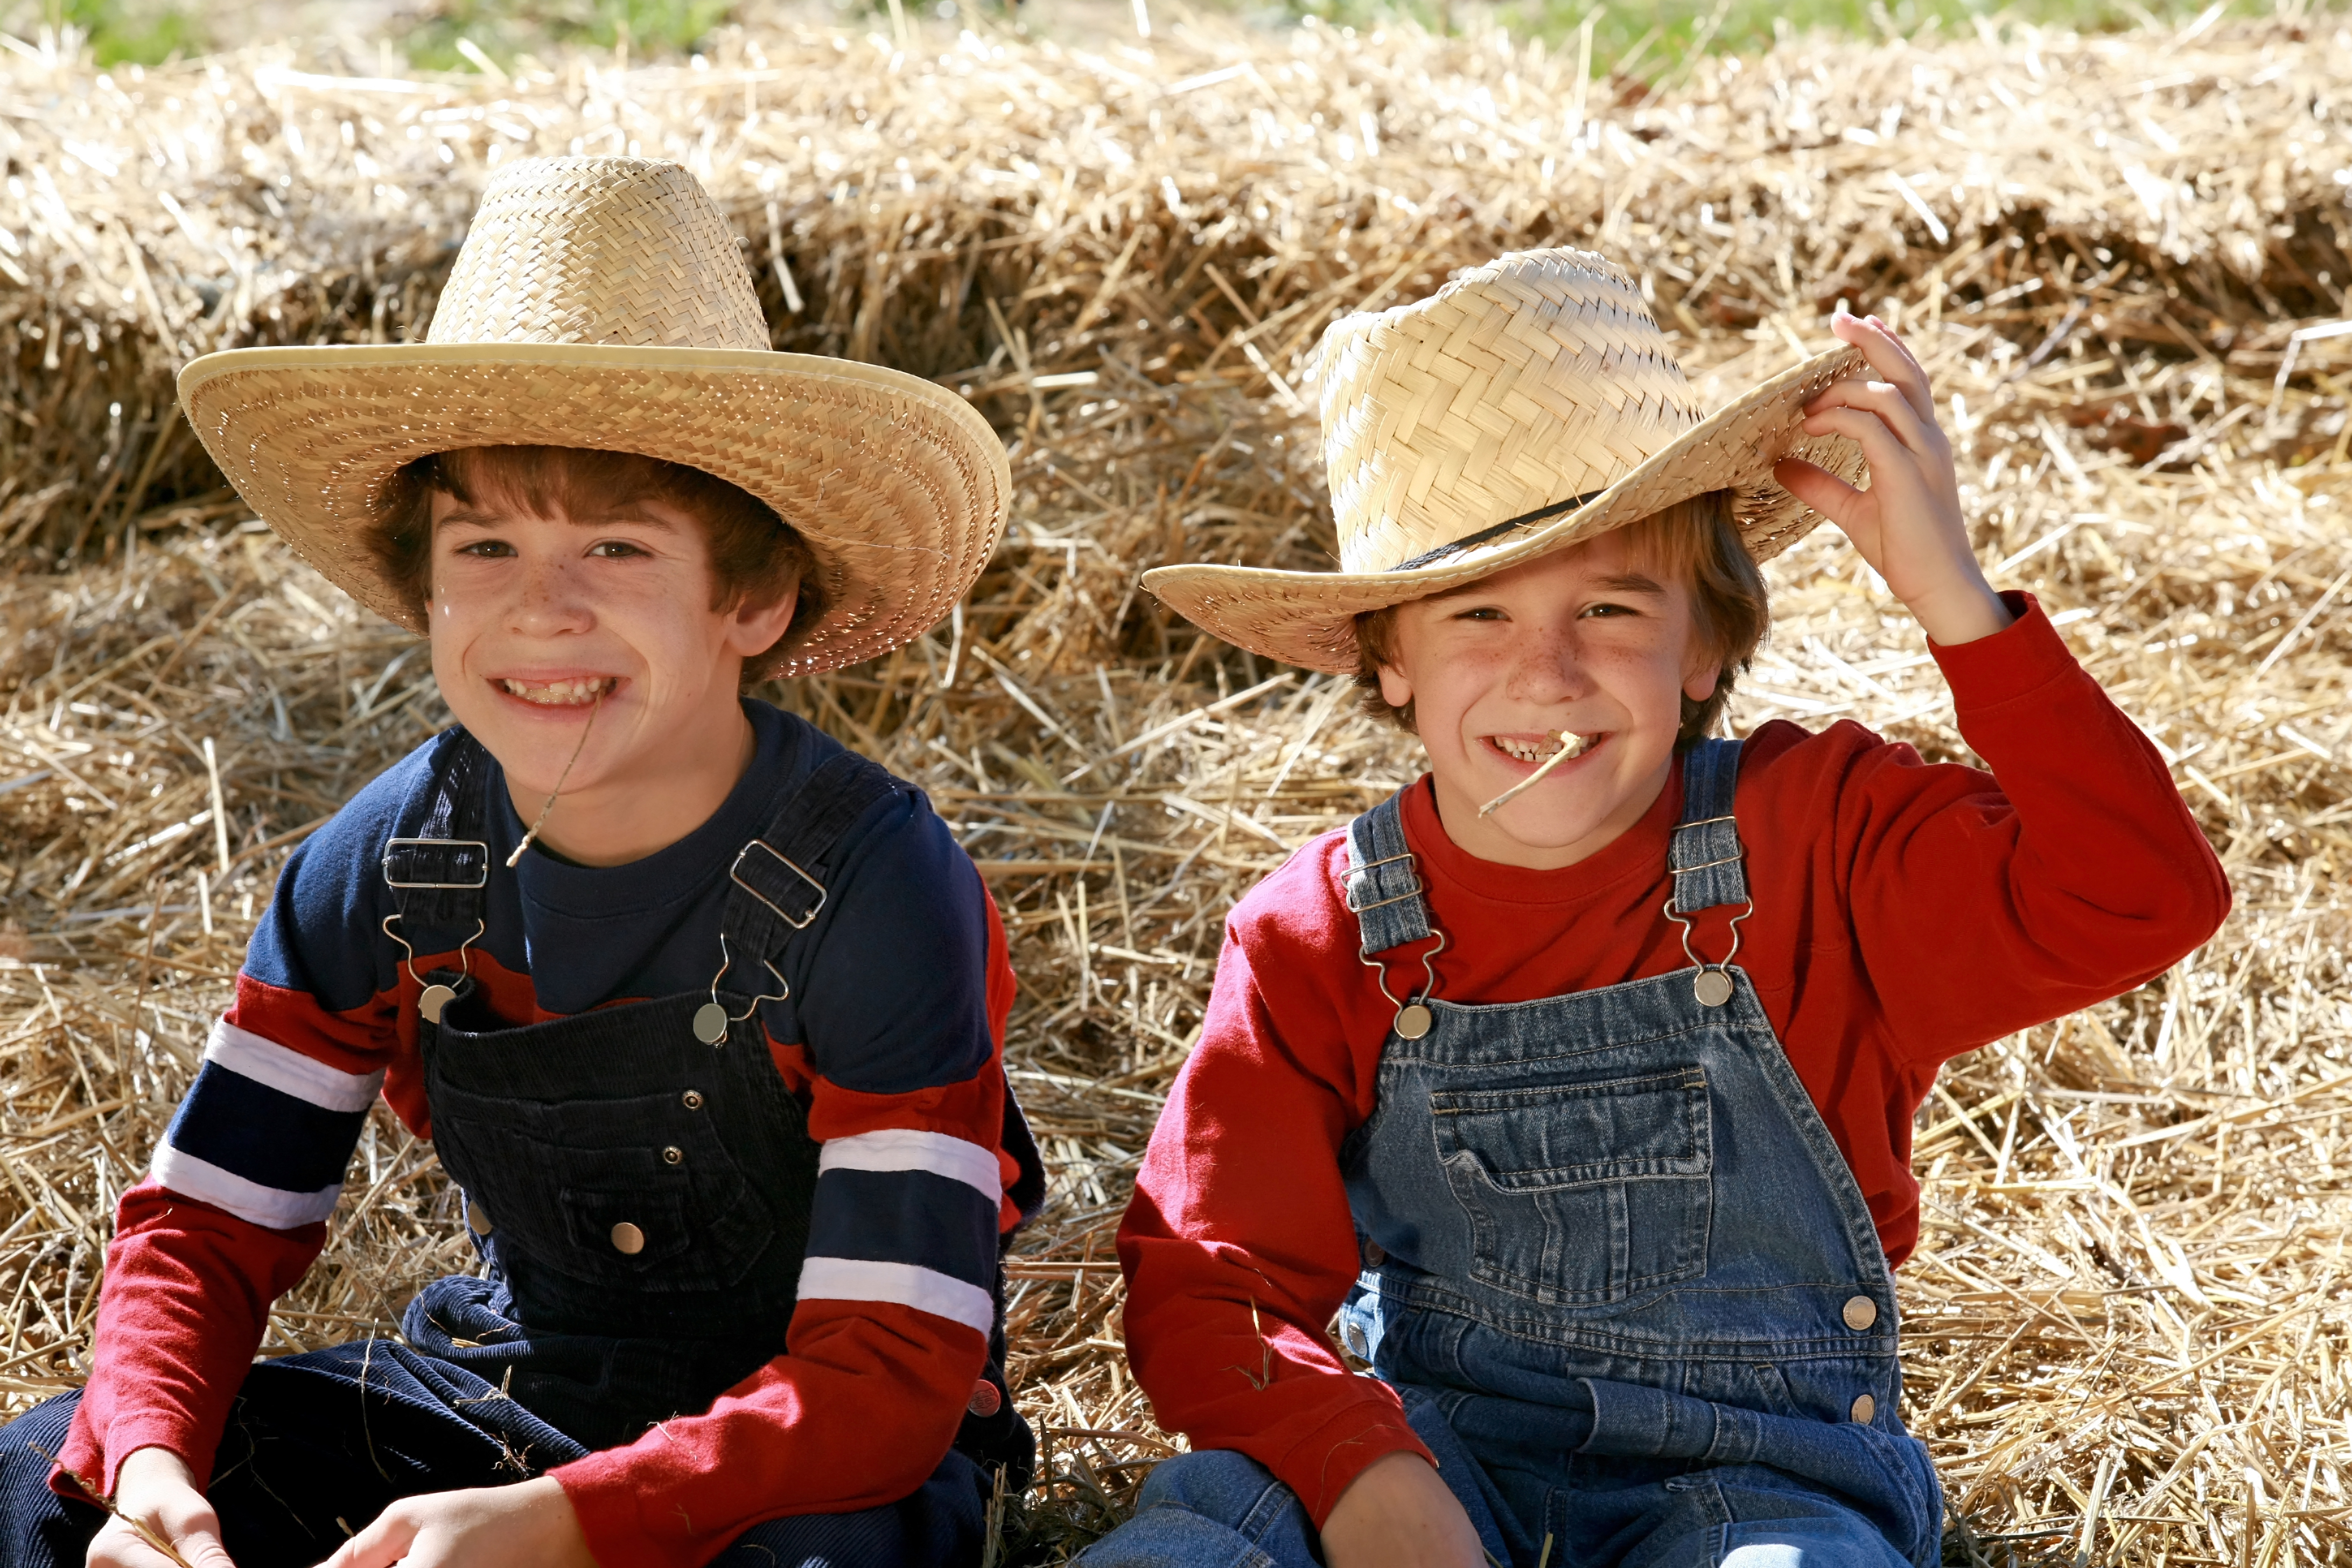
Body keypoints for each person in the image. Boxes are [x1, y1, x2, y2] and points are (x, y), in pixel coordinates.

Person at [1081, 248, 2229, 1568]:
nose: (1548, 672)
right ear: (1388, 660)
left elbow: (2140, 895)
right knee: (1204, 1544)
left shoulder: (1818, 837)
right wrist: (1363, 1478)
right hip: (1427, 1452)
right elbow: (1213, 1275)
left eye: (1611, 606)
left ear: (1704, 642)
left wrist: (1952, 599)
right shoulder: (1319, 927)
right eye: (1478, 611)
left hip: (1761, 1482)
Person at [0, 157, 1044, 1568]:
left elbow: (893, 1367)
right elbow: (205, 1225)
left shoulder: (873, 885)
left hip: (811, 1455)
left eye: (616, 547)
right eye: (484, 544)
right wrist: (146, 1462)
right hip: (512, 1392)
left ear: (756, 596)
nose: (541, 613)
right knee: (33, 1473)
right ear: (421, 583)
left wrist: (568, 1527)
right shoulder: (388, 860)